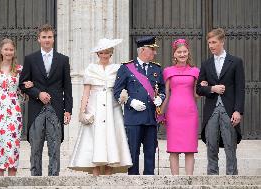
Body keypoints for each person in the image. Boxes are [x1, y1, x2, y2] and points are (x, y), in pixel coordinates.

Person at [68, 38, 132, 176]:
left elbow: (122, 88)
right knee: (94, 139)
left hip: (112, 107)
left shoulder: (117, 68)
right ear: (98, 53)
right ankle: (95, 178)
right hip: (94, 106)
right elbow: (86, 93)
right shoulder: (91, 68)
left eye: (107, 52)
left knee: (111, 137)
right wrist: (81, 112)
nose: (104, 55)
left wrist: (123, 96)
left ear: (111, 53)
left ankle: (109, 176)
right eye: (102, 52)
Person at [19, 24, 73, 176]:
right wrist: (38, 93)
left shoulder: (63, 60)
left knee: (54, 147)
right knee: (35, 147)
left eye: (50, 37)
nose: (47, 40)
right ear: (39, 39)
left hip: (56, 108)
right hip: (37, 108)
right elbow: (23, 84)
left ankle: (53, 180)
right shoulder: (30, 59)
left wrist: (68, 109)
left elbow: (67, 87)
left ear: (53, 39)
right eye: (44, 37)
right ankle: (35, 180)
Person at [113, 36, 165, 175]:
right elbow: (116, 92)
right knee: (133, 153)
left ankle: (149, 181)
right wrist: (131, 102)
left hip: (150, 119)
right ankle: (133, 183)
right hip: (133, 118)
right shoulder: (126, 68)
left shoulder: (157, 69)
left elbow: (162, 89)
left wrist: (160, 98)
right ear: (143, 50)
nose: (155, 53)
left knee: (150, 154)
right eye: (152, 49)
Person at [196, 28, 245, 175]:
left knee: (230, 146)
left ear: (222, 42)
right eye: (209, 42)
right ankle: (212, 178)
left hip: (229, 110)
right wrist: (212, 88)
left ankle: (232, 179)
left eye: (214, 42)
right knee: (211, 145)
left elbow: (240, 88)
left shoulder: (236, 62)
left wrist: (238, 110)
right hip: (211, 110)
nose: (211, 45)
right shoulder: (206, 64)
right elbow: (199, 89)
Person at [0, 38, 33, 176]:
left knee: (13, 146)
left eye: (11, 49)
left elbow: (23, 93)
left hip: (13, 112)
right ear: (1, 51)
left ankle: (12, 181)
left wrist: (28, 86)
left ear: (14, 51)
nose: (9, 52)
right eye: (6, 49)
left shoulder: (19, 70)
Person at [162, 39, 207, 175]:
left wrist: (203, 88)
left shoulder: (195, 71)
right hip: (173, 112)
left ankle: (189, 180)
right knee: (174, 149)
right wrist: (160, 113)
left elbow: (195, 94)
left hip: (189, 113)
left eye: (184, 51)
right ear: (174, 54)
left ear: (188, 53)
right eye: (179, 52)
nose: (182, 54)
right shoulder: (168, 71)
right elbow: (166, 94)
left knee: (189, 149)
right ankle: (175, 180)